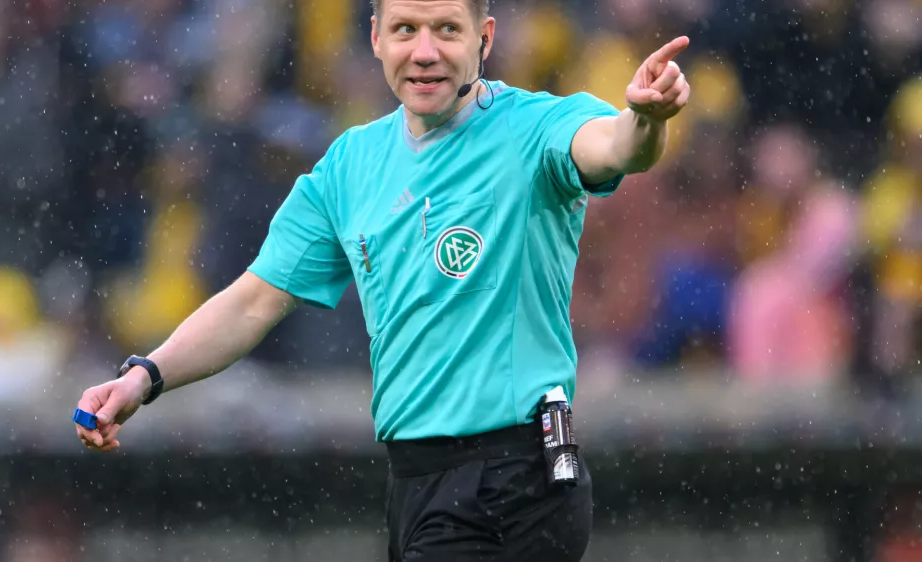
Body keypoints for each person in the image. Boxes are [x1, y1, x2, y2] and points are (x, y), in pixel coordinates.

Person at [74, 0, 691, 559]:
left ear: (485, 37)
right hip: (414, 482)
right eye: (405, 30)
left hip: (515, 477)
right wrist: (144, 377)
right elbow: (254, 300)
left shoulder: (533, 128)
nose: (424, 50)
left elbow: (614, 146)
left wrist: (646, 118)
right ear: (375, 38)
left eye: (447, 29)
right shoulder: (349, 165)